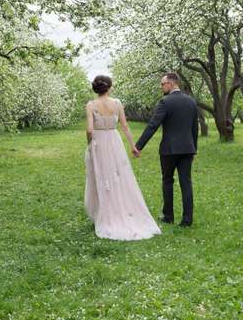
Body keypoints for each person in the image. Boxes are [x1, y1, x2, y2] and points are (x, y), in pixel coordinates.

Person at [84, 75, 161, 241]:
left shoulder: (91, 105)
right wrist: (133, 146)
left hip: (99, 142)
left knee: (100, 176)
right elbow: (125, 126)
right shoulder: (117, 103)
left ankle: (104, 213)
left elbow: (90, 130)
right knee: (119, 176)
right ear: (109, 87)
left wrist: (90, 144)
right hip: (114, 141)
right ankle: (122, 211)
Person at [132, 72, 198, 226]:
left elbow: (153, 125)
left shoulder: (165, 102)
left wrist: (138, 146)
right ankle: (187, 220)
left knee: (167, 181)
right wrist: (194, 148)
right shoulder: (191, 102)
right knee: (186, 183)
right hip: (187, 149)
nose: (161, 87)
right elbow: (195, 128)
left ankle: (168, 216)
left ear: (172, 83)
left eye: (162, 84)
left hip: (169, 149)